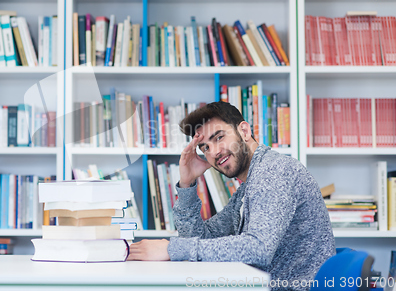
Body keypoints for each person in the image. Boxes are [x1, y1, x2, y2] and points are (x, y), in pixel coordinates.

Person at [128, 101, 335, 290]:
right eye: (205, 147)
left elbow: (258, 248)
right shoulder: (249, 185)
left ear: (244, 131)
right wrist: (187, 183)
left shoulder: (274, 171)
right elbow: (200, 237)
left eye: (219, 137)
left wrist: (173, 248)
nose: (214, 152)